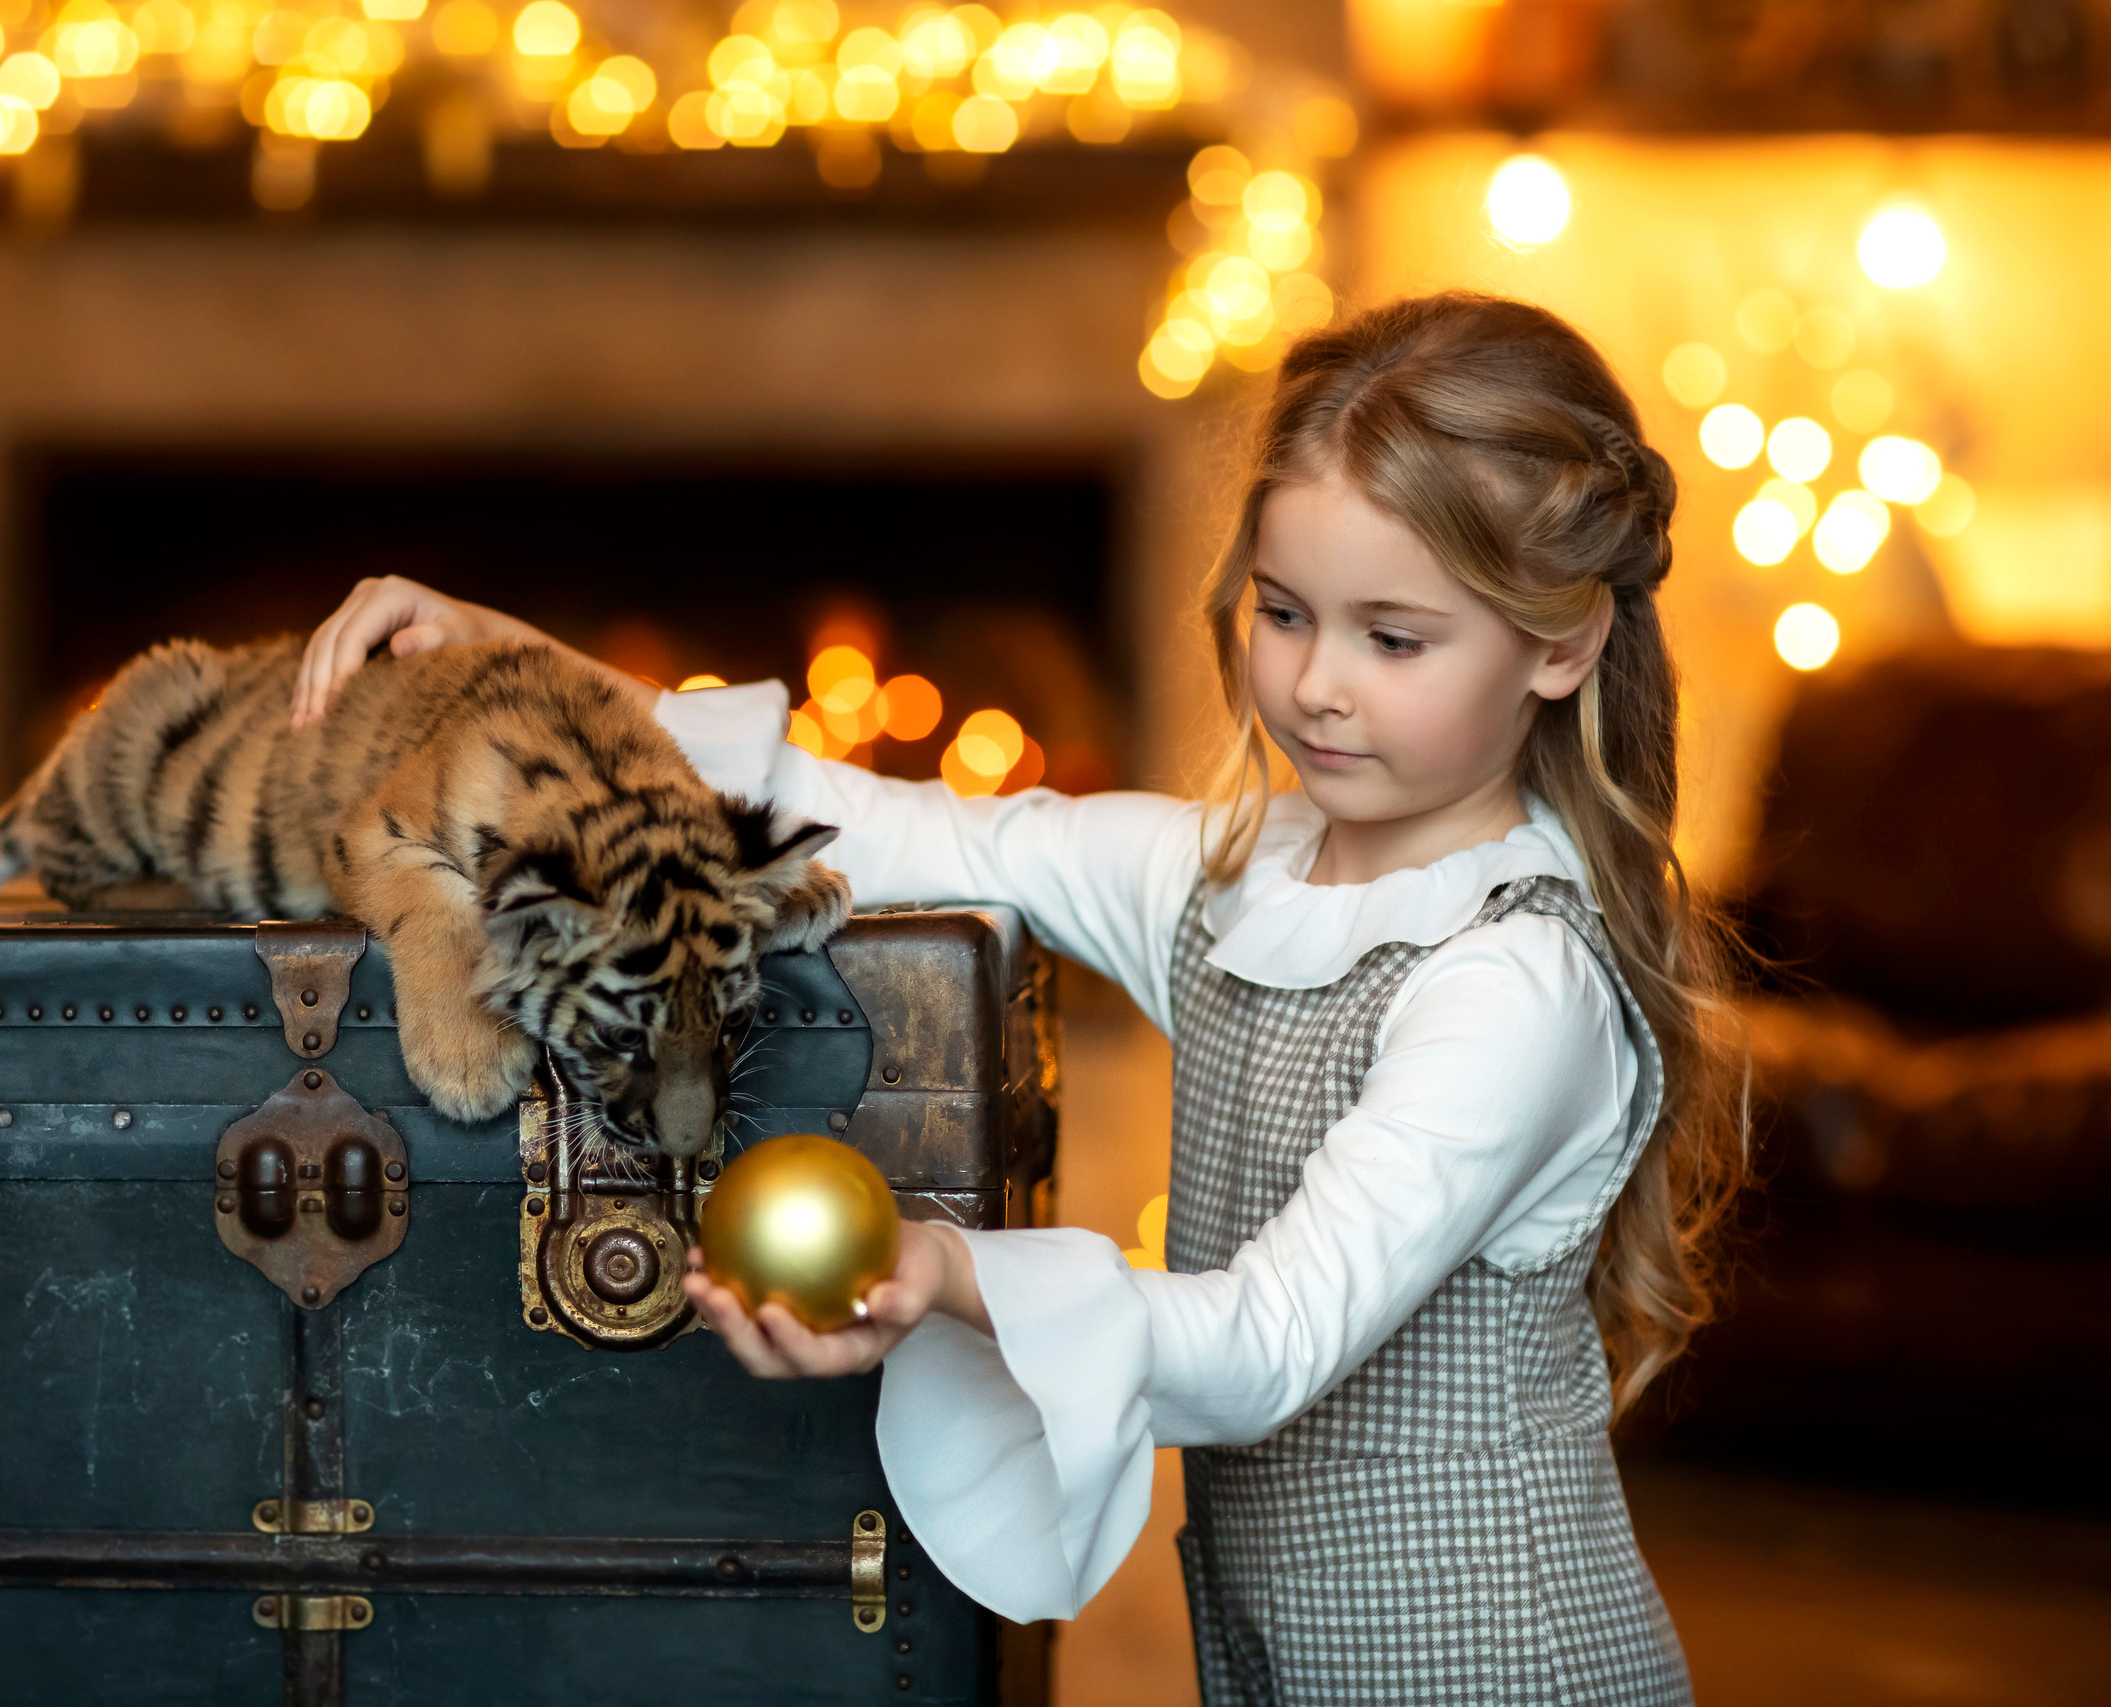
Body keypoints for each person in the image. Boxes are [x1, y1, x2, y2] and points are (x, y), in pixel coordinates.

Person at [288, 291, 1742, 1706]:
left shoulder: (1513, 979)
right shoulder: (1234, 879)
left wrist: (949, 1273)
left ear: (1561, 645)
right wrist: (525, 666)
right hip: (1276, 1652)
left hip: (1499, 1668)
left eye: (1394, 638)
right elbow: (890, 819)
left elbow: (1266, 1345)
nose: (1317, 687)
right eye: (1285, 613)